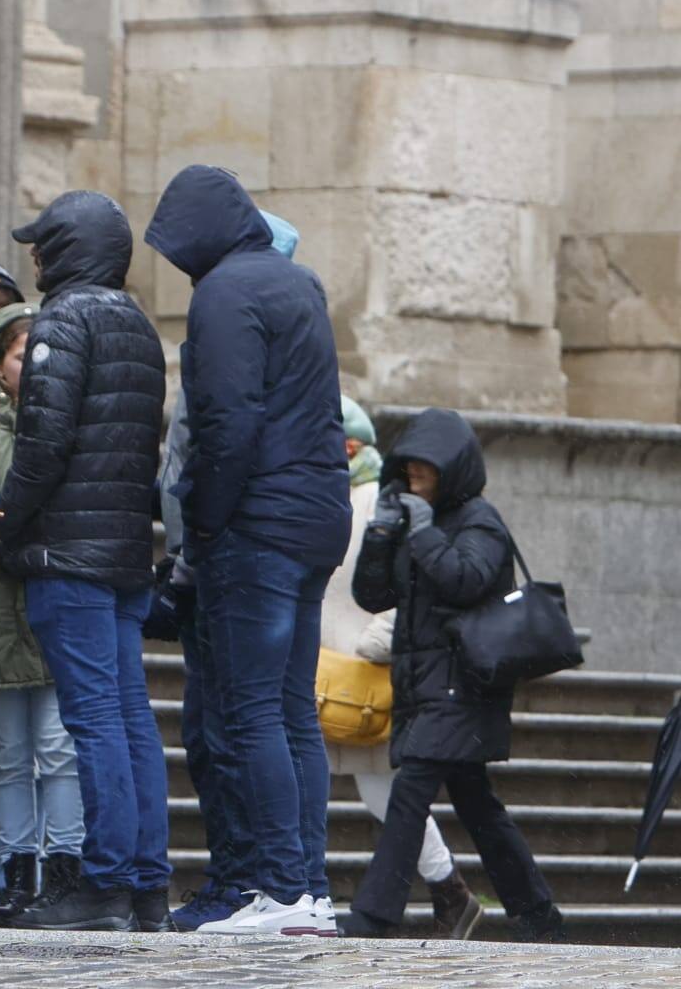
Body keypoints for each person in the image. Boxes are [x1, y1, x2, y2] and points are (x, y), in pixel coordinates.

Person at [144, 165, 349, 936]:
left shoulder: (226, 294)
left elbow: (227, 426)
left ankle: (278, 889)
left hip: (258, 526)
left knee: (252, 708)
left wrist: (203, 522)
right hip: (314, 519)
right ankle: (309, 888)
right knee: (293, 709)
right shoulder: (299, 285)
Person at [0, 190, 170, 932]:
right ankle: (147, 884)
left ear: (70, 250)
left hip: (70, 554)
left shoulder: (63, 321)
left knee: (94, 721)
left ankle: (102, 884)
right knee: (130, 719)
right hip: (125, 551)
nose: (35, 258)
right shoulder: (138, 325)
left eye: (44, 244)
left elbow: (44, 444)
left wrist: (5, 526)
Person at [338, 408, 564, 943]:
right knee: (478, 806)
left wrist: (419, 534)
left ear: (450, 472)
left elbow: (464, 580)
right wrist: (380, 535)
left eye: (423, 475)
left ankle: (373, 917)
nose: (414, 483)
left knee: (410, 790)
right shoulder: (424, 522)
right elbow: (374, 596)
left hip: (465, 687)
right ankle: (538, 917)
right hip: (425, 685)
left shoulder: (480, 522)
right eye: (408, 473)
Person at [155, 210, 297, 932]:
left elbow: (207, 449)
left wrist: (192, 546)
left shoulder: (239, 334)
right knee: (237, 725)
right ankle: (266, 882)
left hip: (225, 558)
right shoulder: (283, 334)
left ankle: (256, 883)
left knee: (231, 727)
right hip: (225, 554)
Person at [323, 397, 479, 939]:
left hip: (359, 676)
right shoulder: (336, 495)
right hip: (325, 675)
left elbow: (399, 586)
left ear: (349, 445)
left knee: (383, 792)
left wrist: (378, 641)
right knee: (360, 788)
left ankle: (447, 892)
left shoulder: (374, 501)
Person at [0, 302, 85, 928]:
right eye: (18, 354)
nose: (32, 367)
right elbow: (10, 493)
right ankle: (17, 873)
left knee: (59, 748)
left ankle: (64, 867)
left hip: (50, 599)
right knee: (9, 753)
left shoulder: (66, 420)